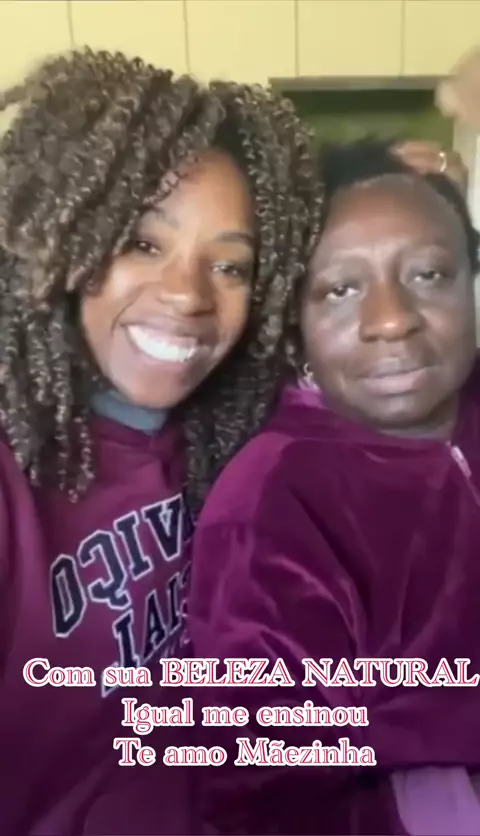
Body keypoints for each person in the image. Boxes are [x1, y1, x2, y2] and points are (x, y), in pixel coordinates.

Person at [0, 48, 319, 834]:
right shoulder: (16, 471)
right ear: (63, 236)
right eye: (143, 243)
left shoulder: (234, 440)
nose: (187, 294)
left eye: (231, 266)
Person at [189, 136, 480, 834]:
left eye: (430, 274)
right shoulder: (274, 502)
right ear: (295, 322)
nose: (391, 320)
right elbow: (259, 781)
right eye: (341, 289)